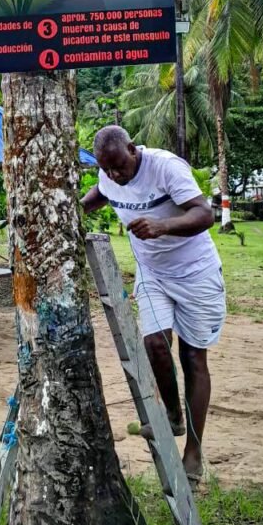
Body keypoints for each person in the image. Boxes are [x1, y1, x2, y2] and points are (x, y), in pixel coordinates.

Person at [81, 126, 225, 485]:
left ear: (132, 149)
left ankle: (193, 449)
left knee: (193, 358)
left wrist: (163, 227)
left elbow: (205, 214)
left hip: (196, 272)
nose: (115, 175)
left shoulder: (165, 167)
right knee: (154, 343)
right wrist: (74, 210)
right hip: (152, 273)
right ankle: (173, 415)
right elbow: (100, 193)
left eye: (119, 166)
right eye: (107, 168)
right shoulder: (108, 174)